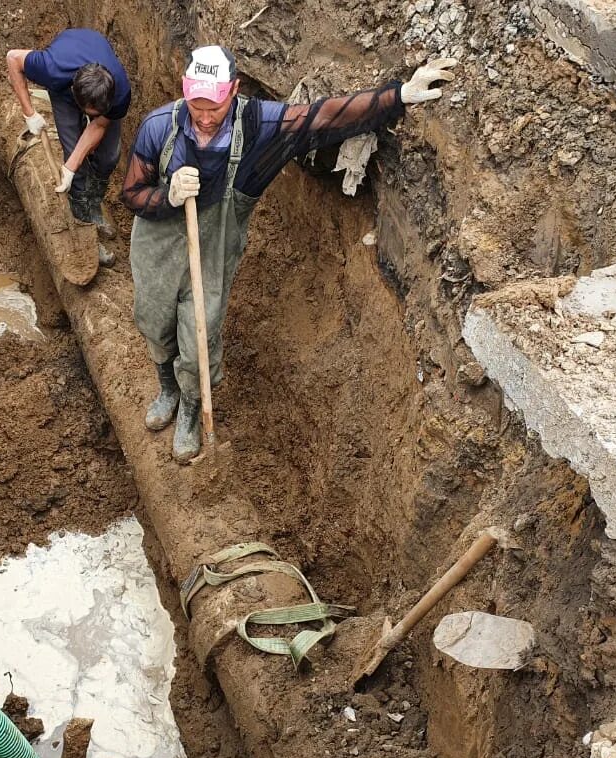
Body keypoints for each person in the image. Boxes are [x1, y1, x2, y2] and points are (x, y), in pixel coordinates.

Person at [122, 46, 456, 463]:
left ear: (234, 91)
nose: (205, 117)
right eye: (197, 106)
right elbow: (132, 194)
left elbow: (323, 116)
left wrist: (398, 96)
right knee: (155, 323)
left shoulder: (259, 123)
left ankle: (190, 406)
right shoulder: (159, 127)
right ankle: (167, 389)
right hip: (157, 245)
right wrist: (168, 196)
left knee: (199, 335)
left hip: (212, 252)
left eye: (215, 107)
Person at [6, 29, 132, 266]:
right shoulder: (51, 69)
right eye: (88, 113)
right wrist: (29, 113)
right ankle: (85, 228)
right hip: (65, 84)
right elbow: (12, 58)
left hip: (93, 64)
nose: (91, 117)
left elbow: (100, 125)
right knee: (76, 161)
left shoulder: (119, 92)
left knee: (109, 157)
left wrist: (70, 166)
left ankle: (93, 209)